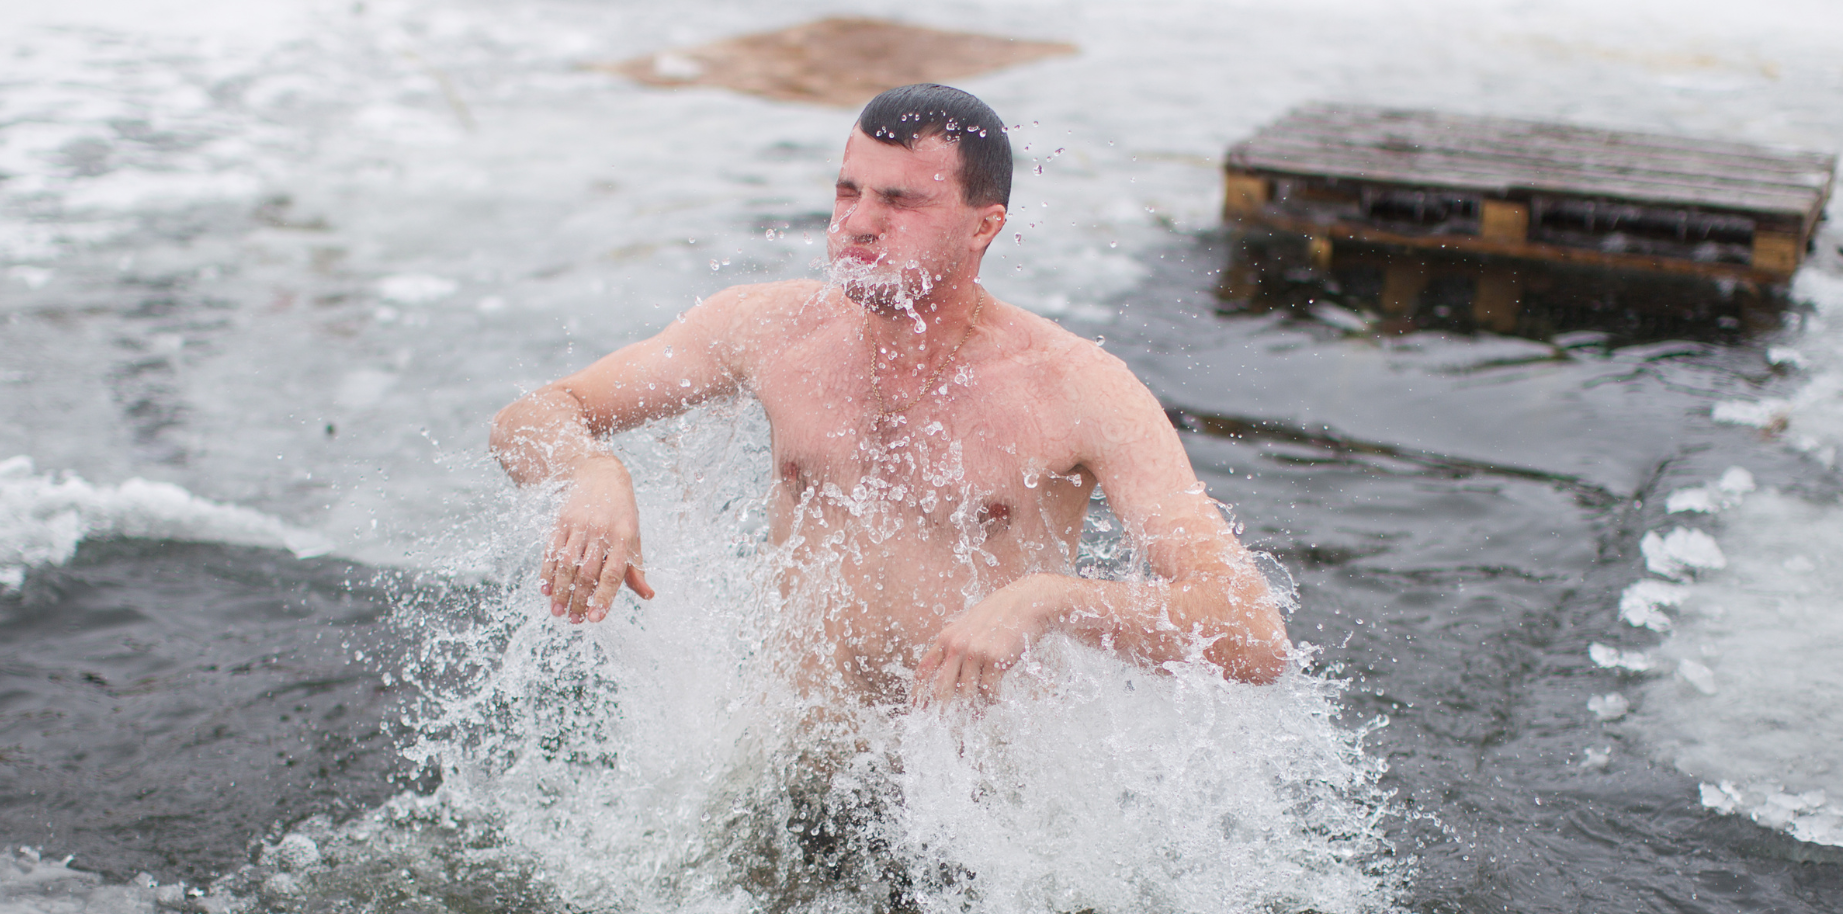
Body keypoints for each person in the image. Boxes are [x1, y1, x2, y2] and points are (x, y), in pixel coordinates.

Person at [490, 84, 1287, 710]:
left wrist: (1048, 602)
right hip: (791, 777)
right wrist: (591, 474)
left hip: (972, 820)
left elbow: (1252, 636)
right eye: (848, 191)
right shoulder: (771, 330)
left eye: (900, 202)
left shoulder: (1075, 387)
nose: (857, 224)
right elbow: (530, 417)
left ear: (983, 227)